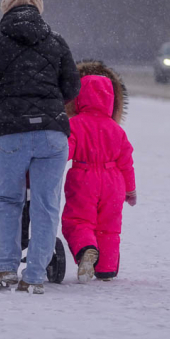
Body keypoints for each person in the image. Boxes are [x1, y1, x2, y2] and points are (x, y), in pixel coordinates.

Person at [0, 0, 80, 294]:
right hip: (52, 134)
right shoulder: (57, 43)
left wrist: (3, 100)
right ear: (38, 9)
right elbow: (72, 86)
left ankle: (5, 268)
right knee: (46, 205)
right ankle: (35, 275)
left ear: (6, 9)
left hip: (10, 133)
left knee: (8, 200)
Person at [62, 65, 136, 283]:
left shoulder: (74, 124)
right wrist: (130, 189)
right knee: (109, 227)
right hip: (114, 180)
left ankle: (86, 249)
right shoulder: (116, 129)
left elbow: (65, 152)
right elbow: (126, 161)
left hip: (84, 177)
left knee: (78, 220)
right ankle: (106, 269)